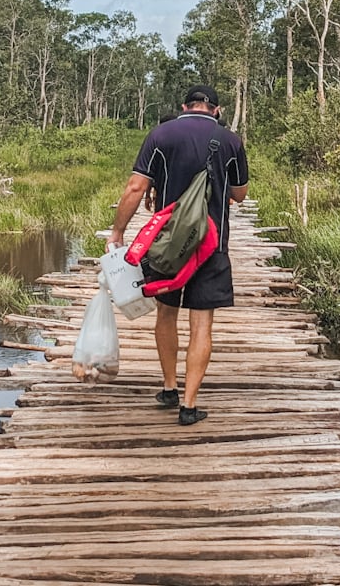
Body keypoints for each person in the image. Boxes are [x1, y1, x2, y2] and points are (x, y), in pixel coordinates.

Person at [106, 84, 249, 426]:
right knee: (202, 324)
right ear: (216, 110)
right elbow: (240, 194)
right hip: (211, 245)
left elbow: (136, 187)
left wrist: (118, 232)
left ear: (184, 106)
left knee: (166, 314)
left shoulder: (161, 135)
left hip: (167, 246)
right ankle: (189, 405)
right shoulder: (230, 141)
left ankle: (169, 387)